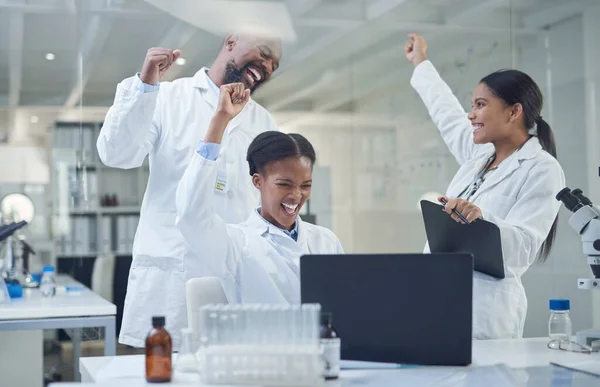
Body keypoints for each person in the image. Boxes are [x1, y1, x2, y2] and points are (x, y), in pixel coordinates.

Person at [96, 33, 282, 349]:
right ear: (232, 42)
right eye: (263, 54)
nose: (266, 66)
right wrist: (145, 87)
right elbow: (117, 154)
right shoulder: (168, 98)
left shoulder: (263, 122)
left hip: (234, 279)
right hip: (174, 277)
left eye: (273, 64)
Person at [404, 33, 565, 339]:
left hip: (485, 314)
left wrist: (480, 218)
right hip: (437, 302)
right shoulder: (479, 155)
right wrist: (420, 61)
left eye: (480, 104)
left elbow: (524, 247)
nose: (471, 113)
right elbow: (446, 112)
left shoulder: (542, 169)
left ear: (513, 111)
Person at [176, 83, 344, 304]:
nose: (296, 195)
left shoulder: (325, 241)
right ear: (258, 181)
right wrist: (220, 121)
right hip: (261, 339)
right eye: (284, 184)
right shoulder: (236, 243)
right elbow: (191, 216)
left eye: (305, 185)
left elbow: (344, 303)